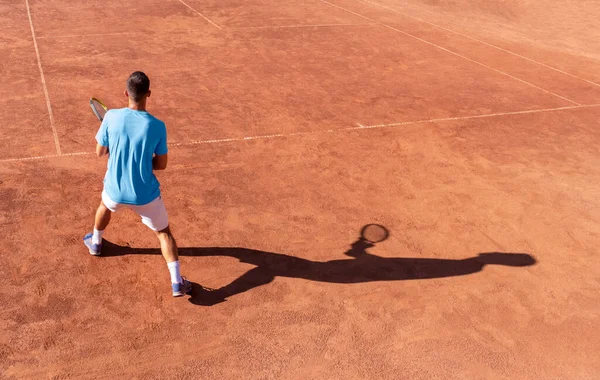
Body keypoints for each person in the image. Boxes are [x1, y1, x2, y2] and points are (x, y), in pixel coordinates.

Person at [83, 71, 192, 297]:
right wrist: (140, 159)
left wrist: (118, 148)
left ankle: (95, 243)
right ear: (148, 94)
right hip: (145, 194)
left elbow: (99, 152)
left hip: (114, 190)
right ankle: (176, 282)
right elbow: (161, 165)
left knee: (104, 207)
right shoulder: (158, 126)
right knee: (164, 234)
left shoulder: (111, 117)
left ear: (126, 93)